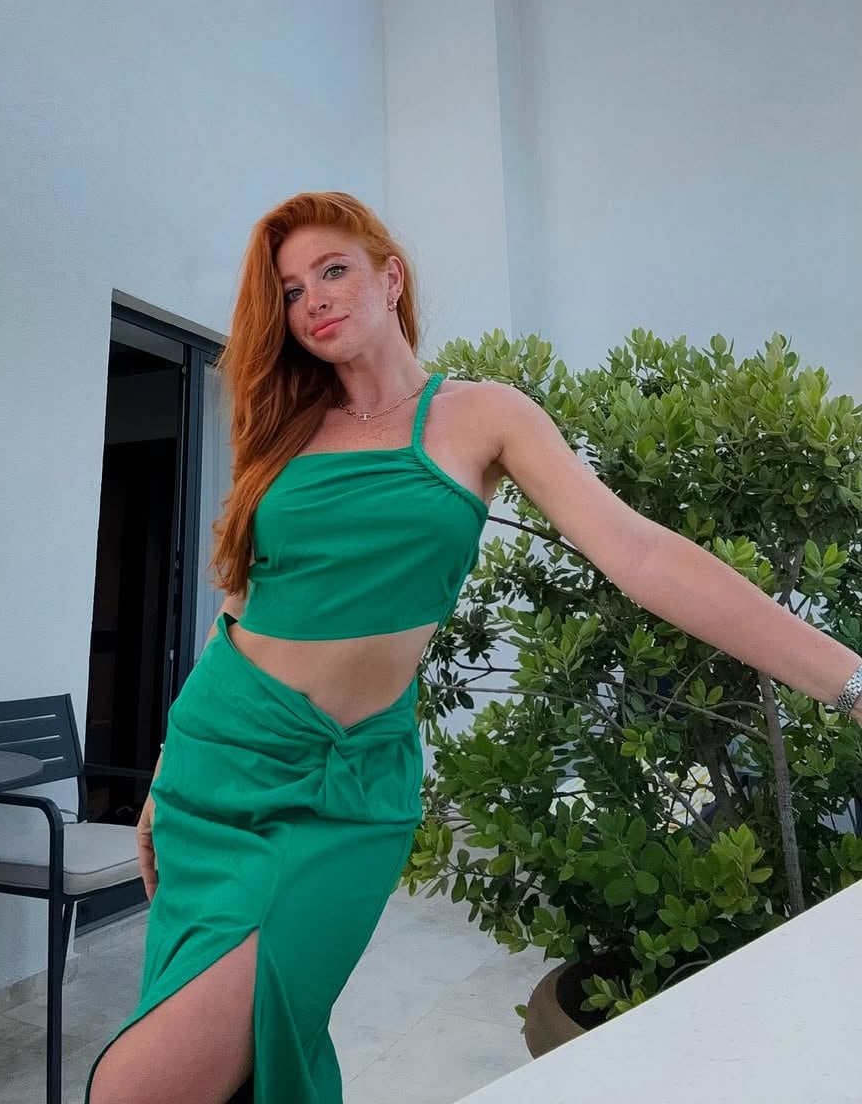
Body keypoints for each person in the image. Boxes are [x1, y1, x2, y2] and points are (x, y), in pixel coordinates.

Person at [87, 191, 862, 1104]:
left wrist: (850, 683)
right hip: (214, 764)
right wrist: (168, 763)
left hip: (346, 790)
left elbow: (641, 553)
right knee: (226, 1065)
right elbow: (241, 597)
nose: (314, 300)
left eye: (333, 270)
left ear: (391, 277)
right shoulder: (286, 430)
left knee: (149, 1081)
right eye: (292, 291)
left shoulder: (480, 415)